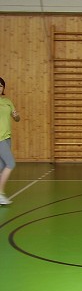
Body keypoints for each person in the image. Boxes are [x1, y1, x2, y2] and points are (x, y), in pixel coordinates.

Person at [0, 77, 20, 205]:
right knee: (11, 163)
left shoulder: (8, 101)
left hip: (7, 138)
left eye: (1, 86)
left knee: (1, 166)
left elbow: (17, 119)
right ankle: (0, 194)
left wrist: (16, 115)